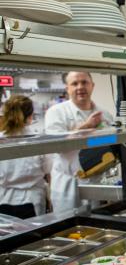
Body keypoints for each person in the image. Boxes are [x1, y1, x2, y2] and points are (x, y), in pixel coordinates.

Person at [44, 71, 113, 213]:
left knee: (98, 223)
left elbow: (112, 141)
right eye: (74, 83)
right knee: (68, 227)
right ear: (67, 88)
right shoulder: (56, 112)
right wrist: (85, 127)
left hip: (97, 181)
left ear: (92, 86)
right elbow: (56, 146)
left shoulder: (104, 114)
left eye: (84, 82)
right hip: (68, 184)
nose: (80, 87)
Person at [0, 95, 51, 217]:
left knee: (7, 236)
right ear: (30, 116)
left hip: (3, 199)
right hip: (32, 200)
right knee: (32, 235)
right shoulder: (38, 140)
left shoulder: (1, 139)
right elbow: (48, 171)